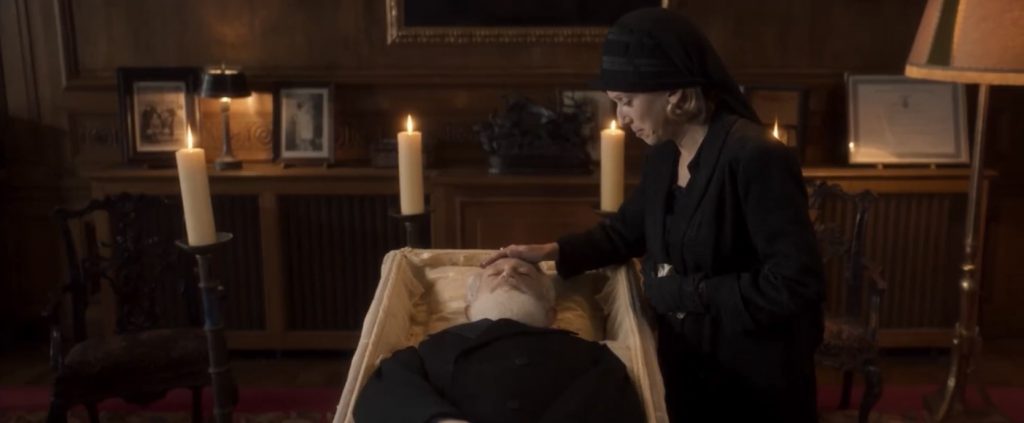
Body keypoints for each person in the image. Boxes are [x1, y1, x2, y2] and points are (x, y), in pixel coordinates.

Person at [481, 7, 825, 423]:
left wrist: (686, 293)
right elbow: (625, 232)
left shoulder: (756, 157)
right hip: (687, 369)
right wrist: (551, 251)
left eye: (626, 102)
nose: (620, 118)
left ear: (675, 95)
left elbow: (796, 285)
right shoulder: (664, 154)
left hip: (756, 384)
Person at [353, 257, 644, 423]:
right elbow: (380, 395)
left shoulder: (592, 357)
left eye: (523, 273)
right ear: (469, 309)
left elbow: (617, 405)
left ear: (550, 312)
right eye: (494, 273)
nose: (507, 273)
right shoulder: (428, 352)